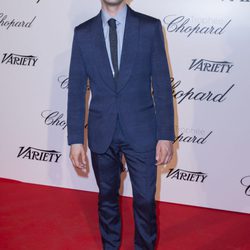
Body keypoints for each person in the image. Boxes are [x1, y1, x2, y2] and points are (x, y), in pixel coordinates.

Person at [67, 0, 174, 249]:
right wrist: (75, 140)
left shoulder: (149, 27)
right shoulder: (83, 33)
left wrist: (165, 134)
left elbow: (161, 85)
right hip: (102, 131)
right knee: (106, 199)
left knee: (146, 201)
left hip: (142, 129)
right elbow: (76, 90)